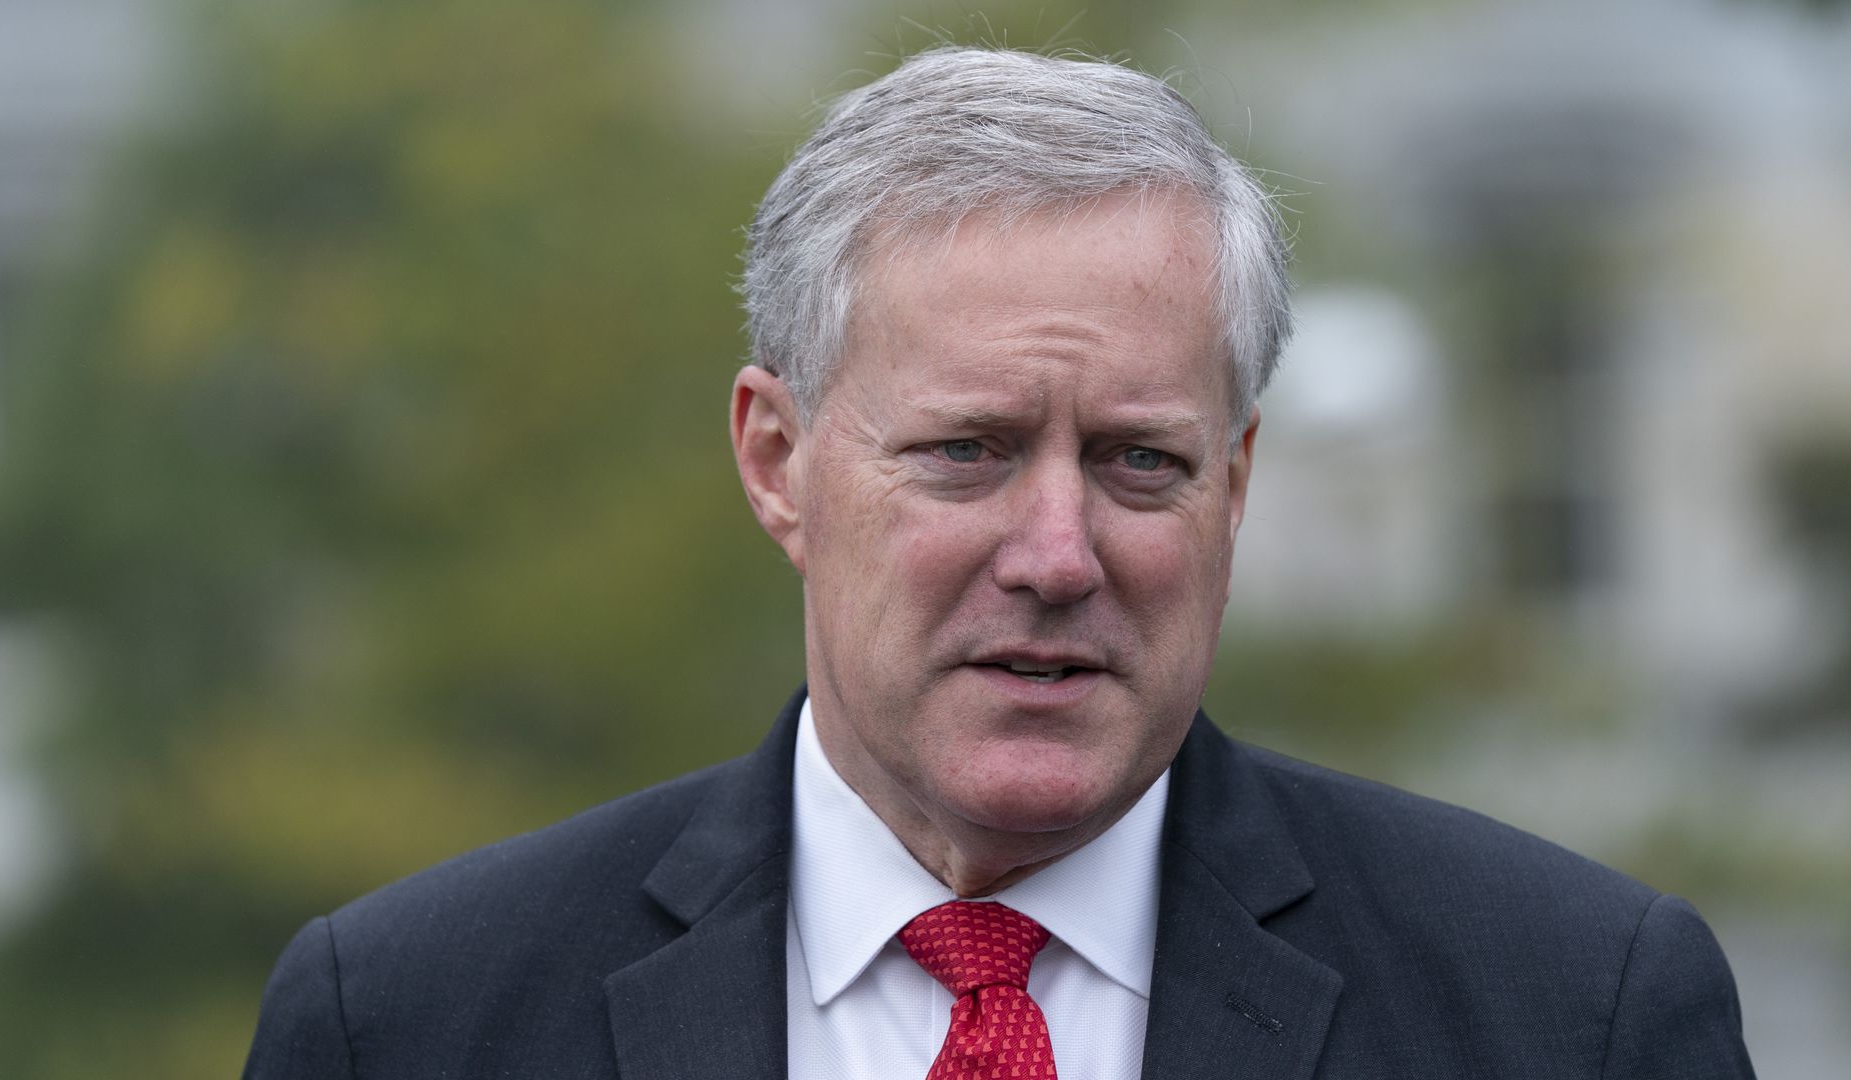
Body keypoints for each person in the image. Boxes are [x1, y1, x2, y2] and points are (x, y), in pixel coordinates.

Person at [243, 46, 1755, 1080]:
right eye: (967, 451)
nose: (1056, 554)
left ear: (1235, 487)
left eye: (1138, 461)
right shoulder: (415, 1023)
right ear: (778, 461)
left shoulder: (1569, 1014)